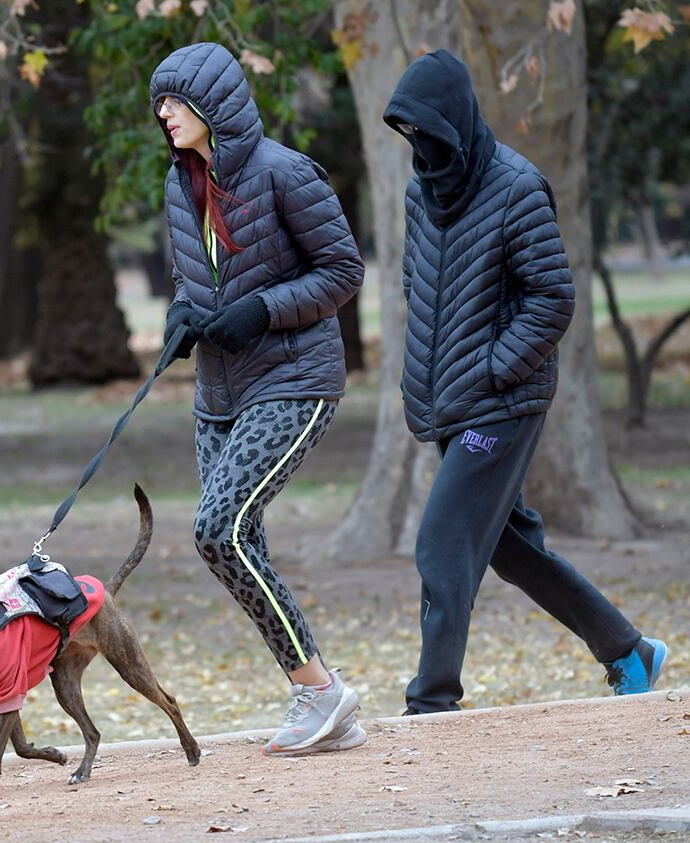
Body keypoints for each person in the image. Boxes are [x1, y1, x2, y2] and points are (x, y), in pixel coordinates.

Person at [383, 49, 668, 714]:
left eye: (430, 130)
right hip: (449, 400)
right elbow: (414, 285)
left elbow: (552, 298)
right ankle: (628, 649)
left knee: (442, 542)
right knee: (511, 552)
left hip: (505, 400)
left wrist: (492, 367)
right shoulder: (418, 192)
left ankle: (432, 701)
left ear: (456, 120)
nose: (421, 146)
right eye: (410, 133)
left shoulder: (516, 186)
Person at [149, 42, 366, 755]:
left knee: (218, 528)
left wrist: (262, 310)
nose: (165, 113)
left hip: (294, 379)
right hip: (218, 394)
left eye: (177, 100)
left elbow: (342, 270)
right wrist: (184, 317)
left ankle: (321, 689)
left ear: (215, 103)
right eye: (160, 103)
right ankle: (325, 707)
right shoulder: (180, 183)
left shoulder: (284, 172)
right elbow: (192, 280)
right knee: (237, 542)